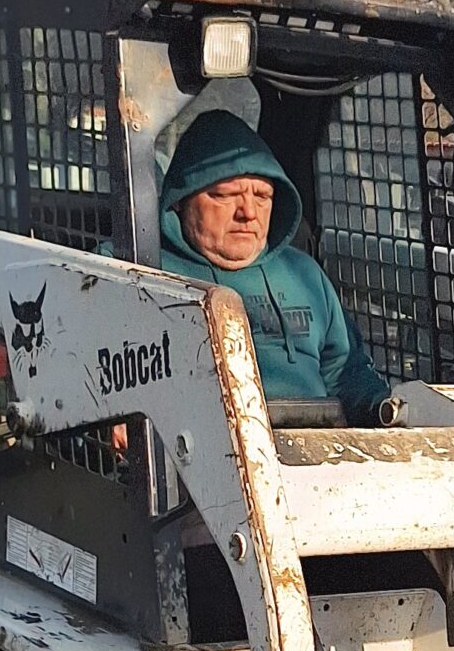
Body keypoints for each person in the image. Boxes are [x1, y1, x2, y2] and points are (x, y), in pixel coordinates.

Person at [159, 93, 392, 423]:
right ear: (181, 199)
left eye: (263, 196)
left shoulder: (305, 275)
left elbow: (345, 371)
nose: (248, 213)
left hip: (317, 454)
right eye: (226, 195)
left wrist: (381, 408)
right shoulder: (136, 274)